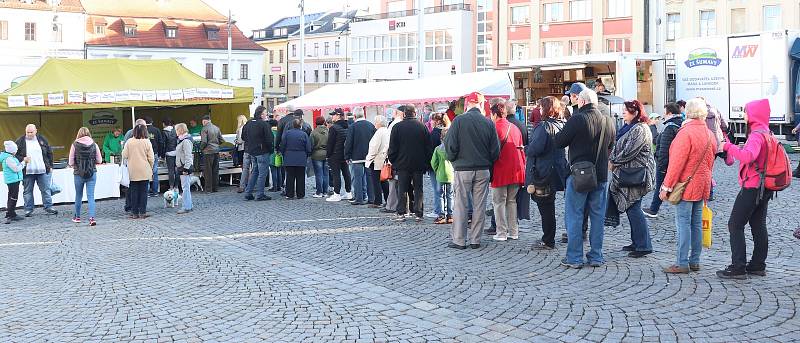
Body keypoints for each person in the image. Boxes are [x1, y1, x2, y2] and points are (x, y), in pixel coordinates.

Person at [554, 88, 616, 268]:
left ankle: (574, 257)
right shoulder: (608, 121)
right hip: (602, 175)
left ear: (581, 102)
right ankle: (596, 256)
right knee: (597, 217)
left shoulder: (577, 119)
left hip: (579, 174)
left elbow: (559, 142)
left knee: (575, 215)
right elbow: (611, 145)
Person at [716, 98, 776, 279]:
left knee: (735, 224)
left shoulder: (756, 134)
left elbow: (748, 156)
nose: (745, 115)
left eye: (747, 111)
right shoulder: (767, 131)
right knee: (758, 225)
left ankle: (738, 267)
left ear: (754, 114)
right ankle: (758, 265)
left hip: (752, 186)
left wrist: (728, 146)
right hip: (765, 186)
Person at [659, 98, 716, 274]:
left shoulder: (685, 133)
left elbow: (676, 164)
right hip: (702, 184)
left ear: (687, 112)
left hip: (686, 185)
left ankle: (682, 262)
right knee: (696, 224)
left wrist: (666, 187)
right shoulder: (709, 133)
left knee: (683, 224)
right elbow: (711, 160)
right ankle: (695, 261)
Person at [444, 92, 500, 249]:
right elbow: (495, 150)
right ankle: (475, 239)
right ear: (481, 105)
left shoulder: (459, 121)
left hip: (463, 169)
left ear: (467, 104)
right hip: (482, 169)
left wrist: (454, 160)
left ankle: (459, 240)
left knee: (461, 205)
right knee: (479, 205)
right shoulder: (488, 123)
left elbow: (450, 146)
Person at [605, 100, 656, 258]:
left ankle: (643, 245)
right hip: (630, 173)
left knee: (634, 208)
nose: (623, 113)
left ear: (635, 113)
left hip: (636, 174)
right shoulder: (630, 128)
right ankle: (638, 242)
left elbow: (630, 151)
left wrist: (614, 162)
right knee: (631, 207)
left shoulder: (640, 128)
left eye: (625, 111)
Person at [527, 96, 569, 250]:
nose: (538, 109)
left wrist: (525, 149)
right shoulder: (562, 124)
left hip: (544, 172)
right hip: (557, 170)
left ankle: (548, 240)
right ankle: (549, 238)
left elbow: (535, 148)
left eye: (540, 106)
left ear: (546, 108)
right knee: (548, 206)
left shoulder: (543, 126)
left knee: (545, 207)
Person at [488, 98, 526, 241]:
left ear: (495, 114)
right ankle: (513, 232)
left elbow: (491, 151)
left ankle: (501, 233)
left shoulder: (494, 128)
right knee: (511, 201)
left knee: (498, 202)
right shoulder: (515, 127)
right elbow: (521, 150)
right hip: (516, 169)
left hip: (501, 169)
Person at [387, 104, 432, 222]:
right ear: (415, 113)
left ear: (404, 114)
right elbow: (428, 147)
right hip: (418, 163)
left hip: (402, 164)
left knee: (402, 189)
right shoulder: (422, 127)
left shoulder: (397, 127)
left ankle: (401, 212)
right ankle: (418, 213)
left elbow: (392, 147)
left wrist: (394, 161)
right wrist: (426, 163)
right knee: (418, 189)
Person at [644, 103, 683, 218]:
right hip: (673, 161)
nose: (664, 115)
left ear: (669, 113)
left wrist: (661, 166)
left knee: (661, 186)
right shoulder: (680, 124)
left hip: (665, 163)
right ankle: (654, 208)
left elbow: (664, 149)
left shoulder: (670, 127)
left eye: (665, 112)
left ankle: (653, 209)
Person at [15, 124, 57, 217]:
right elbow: (14, 155)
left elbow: (49, 152)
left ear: (36, 131)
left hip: (42, 170)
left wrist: (50, 166)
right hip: (27, 171)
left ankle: (48, 207)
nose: (29, 134)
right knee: (27, 191)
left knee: (45, 190)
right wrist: (23, 158)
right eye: (27, 132)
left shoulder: (42, 139)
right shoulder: (20, 141)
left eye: (31, 132)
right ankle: (28, 209)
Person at [68, 127, 102, 226]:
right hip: (92, 173)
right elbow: (99, 160)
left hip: (78, 173)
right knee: (91, 196)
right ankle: (92, 218)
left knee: (78, 195)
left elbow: (70, 162)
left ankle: (77, 217)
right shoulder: (94, 145)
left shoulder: (74, 145)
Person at [345, 107, 377, 205]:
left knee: (357, 178)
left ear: (354, 116)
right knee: (370, 178)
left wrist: (347, 155)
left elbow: (349, 142)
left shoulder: (353, 127)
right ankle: (371, 198)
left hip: (356, 156)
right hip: (369, 156)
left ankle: (359, 198)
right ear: (364, 115)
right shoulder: (371, 125)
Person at [122, 124, 155, 219]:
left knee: (133, 192)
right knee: (144, 192)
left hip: (132, 170)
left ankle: (134, 212)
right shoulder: (147, 142)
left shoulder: (129, 142)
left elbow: (124, 155)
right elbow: (151, 158)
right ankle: (142, 212)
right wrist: (151, 167)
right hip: (144, 169)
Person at [242, 106, 274, 201]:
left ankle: (248, 192)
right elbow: (269, 139)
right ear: (261, 114)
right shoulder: (264, 124)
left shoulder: (248, 123)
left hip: (252, 151)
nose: (266, 115)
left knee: (255, 172)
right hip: (262, 151)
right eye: (265, 113)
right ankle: (260, 194)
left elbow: (243, 137)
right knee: (262, 173)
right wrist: (270, 149)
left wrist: (252, 143)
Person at [381, 106, 405, 213]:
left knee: (393, 182)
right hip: (405, 158)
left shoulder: (394, 125)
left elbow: (388, 143)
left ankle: (391, 205)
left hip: (395, 158)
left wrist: (386, 157)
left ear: (396, 113)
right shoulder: (406, 124)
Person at [281, 119, 313, 199]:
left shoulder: (287, 133)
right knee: (301, 177)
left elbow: (283, 145)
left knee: (290, 177)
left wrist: (284, 153)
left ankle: (289, 194)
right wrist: (306, 155)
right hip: (301, 157)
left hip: (289, 157)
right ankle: (300, 194)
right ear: (300, 126)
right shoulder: (304, 134)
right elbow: (308, 147)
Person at [326, 109, 353, 202]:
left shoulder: (333, 128)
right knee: (346, 173)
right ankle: (348, 192)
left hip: (335, 154)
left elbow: (330, 143)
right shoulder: (348, 126)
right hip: (344, 154)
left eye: (333, 115)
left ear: (338, 115)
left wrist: (328, 155)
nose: (332, 117)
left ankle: (336, 194)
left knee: (336, 174)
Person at [426, 112, 448, 218]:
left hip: (436, 166)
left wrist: (431, 166)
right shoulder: (449, 131)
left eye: (432, 120)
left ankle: (438, 210)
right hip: (448, 166)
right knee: (449, 192)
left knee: (437, 190)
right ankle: (448, 210)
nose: (431, 122)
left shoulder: (434, 133)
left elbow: (430, 151)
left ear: (437, 121)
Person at [430, 128, 454, 224]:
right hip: (451, 175)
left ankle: (441, 215)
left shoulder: (438, 149)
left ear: (441, 138)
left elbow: (433, 162)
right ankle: (450, 215)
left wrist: (437, 170)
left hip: (440, 174)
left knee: (440, 195)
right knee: (450, 195)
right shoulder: (453, 149)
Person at [365, 115, 390, 207]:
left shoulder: (379, 132)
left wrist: (369, 158)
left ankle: (378, 201)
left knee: (376, 181)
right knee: (383, 181)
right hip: (383, 159)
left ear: (379, 123)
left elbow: (374, 147)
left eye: (376, 122)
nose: (374, 123)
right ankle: (388, 200)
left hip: (377, 160)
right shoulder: (386, 131)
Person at [2, 141, 25, 224]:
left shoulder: (10, 157)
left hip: (13, 180)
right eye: (16, 150)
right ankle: (10, 214)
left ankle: (11, 213)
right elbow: (16, 168)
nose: (16, 151)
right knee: (13, 197)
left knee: (11, 196)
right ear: (12, 150)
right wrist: (24, 163)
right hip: (13, 181)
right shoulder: (9, 159)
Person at [200, 115, 223, 193]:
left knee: (208, 171)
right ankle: (215, 188)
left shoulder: (204, 129)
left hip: (208, 152)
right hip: (216, 151)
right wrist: (216, 145)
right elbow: (222, 140)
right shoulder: (217, 128)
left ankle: (208, 189)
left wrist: (201, 148)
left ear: (204, 121)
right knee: (215, 170)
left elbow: (204, 142)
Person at [174, 123, 195, 214]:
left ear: (180, 130)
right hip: (182, 166)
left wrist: (186, 168)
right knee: (186, 187)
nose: (175, 132)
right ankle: (189, 205)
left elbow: (188, 156)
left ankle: (186, 206)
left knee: (185, 188)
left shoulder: (185, 141)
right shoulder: (182, 140)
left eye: (176, 130)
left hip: (184, 167)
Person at [144, 117, 165, 197]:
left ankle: (147, 192)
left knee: (146, 172)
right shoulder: (156, 130)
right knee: (155, 173)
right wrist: (160, 153)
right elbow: (161, 142)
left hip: (145, 154)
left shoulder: (143, 130)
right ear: (152, 122)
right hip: (155, 153)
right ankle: (155, 191)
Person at [310, 116, 330, 198]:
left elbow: (311, 144)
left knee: (319, 174)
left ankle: (319, 192)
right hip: (326, 154)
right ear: (324, 122)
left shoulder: (314, 132)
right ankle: (325, 191)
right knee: (326, 174)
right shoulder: (328, 131)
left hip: (316, 154)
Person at [162, 119, 178, 190]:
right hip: (176, 152)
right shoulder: (175, 131)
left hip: (169, 153)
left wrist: (162, 155)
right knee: (176, 170)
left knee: (171, 170)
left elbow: (163, 144)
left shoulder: (164, 132)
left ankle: (171, 187)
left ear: (164, 124)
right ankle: (176, 186)